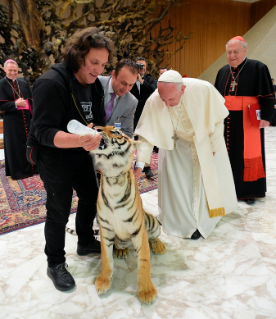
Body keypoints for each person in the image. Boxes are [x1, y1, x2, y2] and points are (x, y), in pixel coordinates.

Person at [27, 27, 114, 291]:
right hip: (53, 156)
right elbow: (41, 132)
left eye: (103, 64)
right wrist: (77, 139)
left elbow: (97, 120)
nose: (99, 70)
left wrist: (97, 132)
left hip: (80, 152)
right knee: (59, 209)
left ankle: (85, 240)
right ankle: (55, 263)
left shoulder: (95, 85)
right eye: (93, 63)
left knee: (91, 197)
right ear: (78, 57)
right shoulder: (51, 83)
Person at [134, 70, 237, 240]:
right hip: (173, 144)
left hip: (203, 141)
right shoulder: (155, 99)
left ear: (182, 89)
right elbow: (146, 135)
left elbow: (218, 120)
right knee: (177, 184)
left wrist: (214, 145)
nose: (166, 104)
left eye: (171, 99)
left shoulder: (203, 90)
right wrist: (139, 164)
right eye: (163, 99)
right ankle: (177, 221)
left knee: (203, 184)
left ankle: (201, 221)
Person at [214, 36, 275, 205]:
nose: (232, 55)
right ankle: (228, 188)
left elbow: (268, 95)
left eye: (236, 51)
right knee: (228, 154)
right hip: (226, 120)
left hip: (248, 120)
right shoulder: (223, 71)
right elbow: (217, 97)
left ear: (245, 51)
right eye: (229, 52)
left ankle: (249, 191)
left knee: (247, 154)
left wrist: (266, 117)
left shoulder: (258, 67)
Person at [0, 59, 36, 179]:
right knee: (16, 146)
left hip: (27, 118)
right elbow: (1, 106)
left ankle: (33, 167)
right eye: (10, 70)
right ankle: (20, 171)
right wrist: (15, 104)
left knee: (30, 143)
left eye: (15, 70)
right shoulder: (1, 84)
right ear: (5, 70)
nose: (13, 72)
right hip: (13, 122)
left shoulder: (23, 82)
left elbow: (30, 101)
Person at [130, 57, 157, 178]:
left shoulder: (150, 79)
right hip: (131, 115)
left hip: (146, 115)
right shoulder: (129, 78)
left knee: (145, 141)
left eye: (144, 66)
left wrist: (141, 81)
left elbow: (154, 90)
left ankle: (146, 167)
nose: (142, 68)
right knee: (131, 141)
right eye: (139, 65)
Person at [98, 59, 138, 137]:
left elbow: (127, 133)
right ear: (113, 74)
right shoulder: (96, 84)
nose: (126, 89)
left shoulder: (132, 102)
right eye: (123, 83)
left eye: (131, 85)